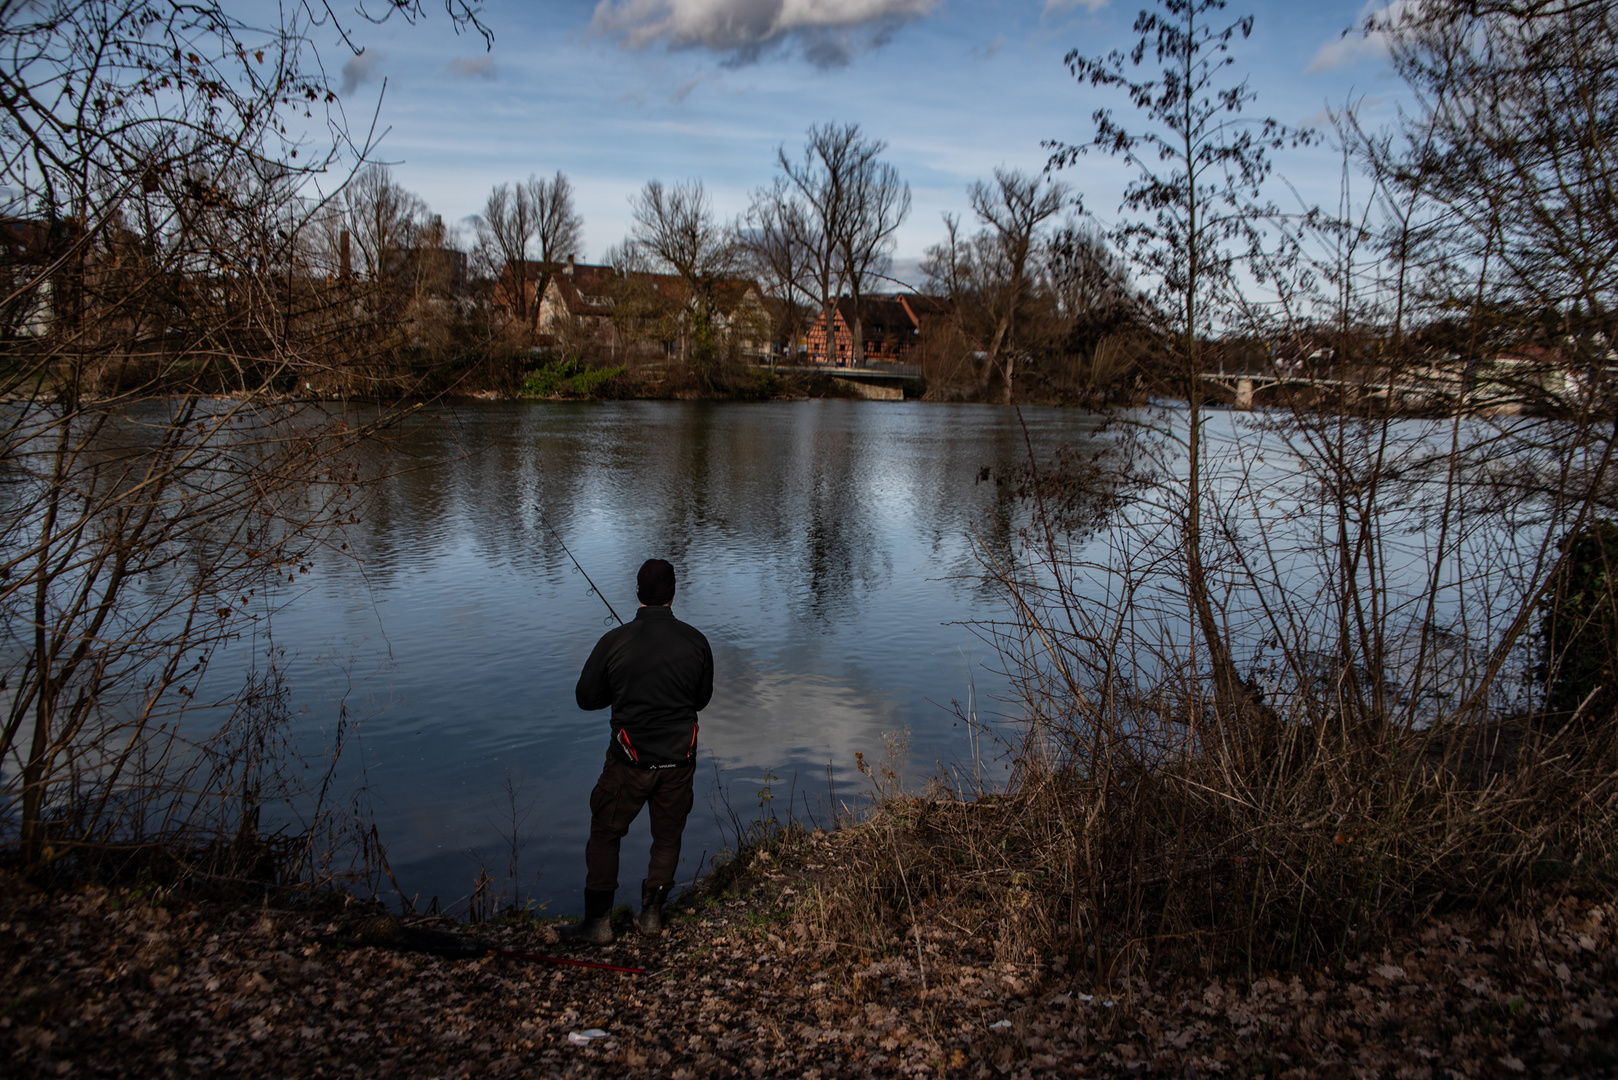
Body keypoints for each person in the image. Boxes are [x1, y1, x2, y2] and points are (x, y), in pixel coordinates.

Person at [561, 558, 713, 944]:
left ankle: (597, 924)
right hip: (679, 759)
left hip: (629, 761)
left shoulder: (615, 642)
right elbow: (702, 698)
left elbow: (586, 698)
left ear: (639, 594)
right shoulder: (696, 641)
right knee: (667, 837)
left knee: (606, 833)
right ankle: (651, 916)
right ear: (674, 593)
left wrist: (621, 689)